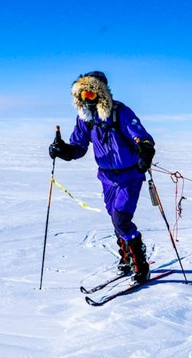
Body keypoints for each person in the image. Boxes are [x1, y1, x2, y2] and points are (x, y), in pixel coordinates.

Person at [49, 71, 155, 284]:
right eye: (81, 96)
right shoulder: (85, 119)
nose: (85, 99)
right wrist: (63, 150)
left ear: (101, 93)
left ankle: (141, 265)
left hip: (130, 175)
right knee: (115, 218)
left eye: (89, 94)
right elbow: (78, 147)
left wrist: (145, 152)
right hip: (107, 177)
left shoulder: (120, 112)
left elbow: (142, 138)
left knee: (121, 219)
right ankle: (126, 258)